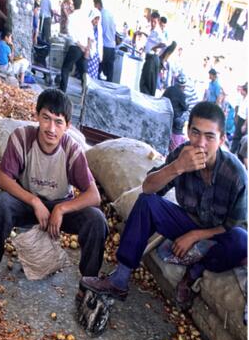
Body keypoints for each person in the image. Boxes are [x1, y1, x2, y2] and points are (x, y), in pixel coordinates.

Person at [81, 102, 247, 310]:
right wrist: (177, 167)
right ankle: (119, 280)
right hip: (187, 221)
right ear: (188, 131)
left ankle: (194, 272)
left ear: (222, 140)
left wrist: (195, 236)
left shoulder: (236, 175)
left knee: (241, 240)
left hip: (217, 233)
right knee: (147, 203)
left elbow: (234, 224)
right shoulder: (181, 155)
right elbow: (148, 188)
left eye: (210, 137)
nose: (201, 143)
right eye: (195, 133)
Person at [0, 88, 108, 299]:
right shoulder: (22, 137)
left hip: (59, 207)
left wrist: (61, 208)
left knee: (96, 220)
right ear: (37, 115)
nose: (51, 128)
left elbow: (94, 196)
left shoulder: (72, 150)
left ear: (67, 126)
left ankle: (88, 287)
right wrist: (34, 201)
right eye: (46, 118)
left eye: (58, 122)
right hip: (26, 203)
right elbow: (1, 178)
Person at [59, 0, 88, 92]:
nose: (70, 5)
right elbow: (89, 34)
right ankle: (86, 92)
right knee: (83, 72)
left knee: (65, 68)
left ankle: (62, 91)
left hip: (76, 47)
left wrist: (80, 45)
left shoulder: (72, 17)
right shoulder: (85, 17)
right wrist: (86, 48)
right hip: (83, 47)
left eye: (71, 3)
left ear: (74, 3)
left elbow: (71, 34)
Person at [139, 12, 168, 96]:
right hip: (150, 58)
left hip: (152, 58)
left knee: (146, 84)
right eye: (151, 21)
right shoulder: (153, 30)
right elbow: (151, 41)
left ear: (158, 21)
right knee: (146, 83)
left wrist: (154, 48)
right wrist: (145, 48)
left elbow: (164, 44)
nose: (152, 23)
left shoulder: (157, 31)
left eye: (154, 22)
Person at [162, 70, 191, 151]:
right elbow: (185, 108)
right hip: (175, 121)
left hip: (164, 116)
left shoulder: (169, 89)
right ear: (183, 86)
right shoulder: (182, 95)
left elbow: (162, 99)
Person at [93, 0, 117, 82]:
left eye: (94, 5)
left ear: (97, 4)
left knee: (97, 71)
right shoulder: (110, 14)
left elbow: (99, 32)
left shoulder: (101, 15)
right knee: (109, 74)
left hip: (104, 47)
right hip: (112, 47)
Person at [86, 5, 103, 80]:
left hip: (95, 56)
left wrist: (100, 56)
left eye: (98, 19)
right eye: (95, 18)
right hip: (87, 53)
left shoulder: (99, 29)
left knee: (92, 77)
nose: (96, 21)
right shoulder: (87, 26)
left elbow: (100, 43)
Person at [231, 82, 247, 156]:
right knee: (236, 135)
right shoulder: (242, 98)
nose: (241, 92)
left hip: (244, 120)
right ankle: (233, 150)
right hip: (240, 117)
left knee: (239, 137)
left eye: (242, 90)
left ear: (245, 91)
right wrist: (236, 117)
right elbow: (237, 108)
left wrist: (244, 125)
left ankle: (235, 151)